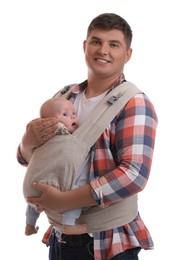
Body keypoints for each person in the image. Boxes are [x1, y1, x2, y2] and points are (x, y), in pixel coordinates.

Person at [17, 13, 158, 260]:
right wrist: (27, 143)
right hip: (59, 238)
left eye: (114, 44)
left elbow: (134, 174)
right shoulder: (64, 97)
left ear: (128, 54)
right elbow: (37, 159)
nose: (103, 50)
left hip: (105, 242)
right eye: (96, 41)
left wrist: (65, 201)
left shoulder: (133, 103)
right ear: (85, 45)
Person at [24, 97, 88, 236]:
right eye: (65, 114)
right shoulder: (59, 129)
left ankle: (29, 224)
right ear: (49, 122)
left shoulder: (40, 135)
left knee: (32, 201)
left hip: (31, 185)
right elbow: (21, 158)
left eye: (74, 113)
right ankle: (69, 225)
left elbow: (25, 158)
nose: (72, 116)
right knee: (76, 193)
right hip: (56, 186)